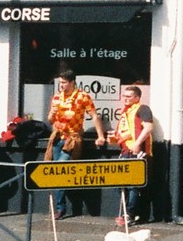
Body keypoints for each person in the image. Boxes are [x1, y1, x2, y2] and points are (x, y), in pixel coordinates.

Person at [44, 70, 105, 219]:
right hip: (58, 138)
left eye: (64, 82)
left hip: (72, 139)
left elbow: (94, 116)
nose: (62, 85)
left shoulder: (82, 97)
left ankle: (60, 208)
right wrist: (52, 114)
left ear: (72, 82)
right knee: (57, 171)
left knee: (59, 168)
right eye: (61, 82)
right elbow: (51, 120)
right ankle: (60, 206)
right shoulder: (57, 97)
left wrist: (101, 135)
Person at [110, 84, 154, 223]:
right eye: (124, 96)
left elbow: (148, 128)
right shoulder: (126, 111)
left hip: (138, 152)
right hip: (125, 151)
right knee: (121, 184)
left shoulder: (143, 109)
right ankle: (126, 212)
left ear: (137, 98)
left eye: (129, 96)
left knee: (133, 185)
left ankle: (129, 214)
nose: (125, 99)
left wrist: (137, 143)